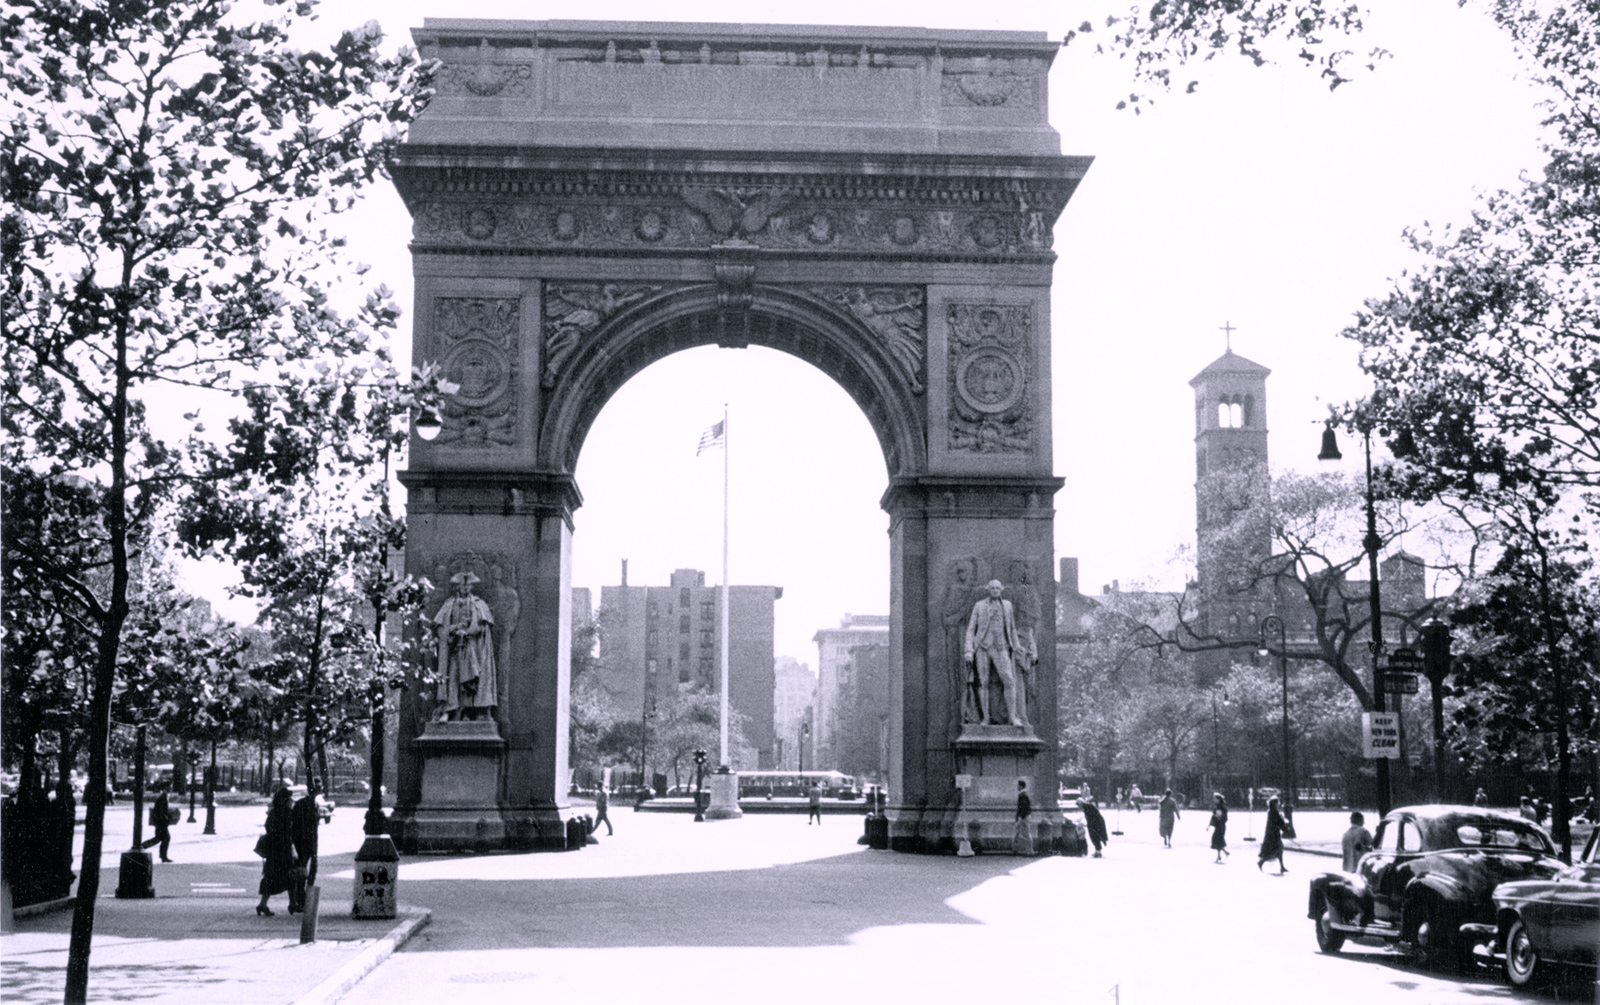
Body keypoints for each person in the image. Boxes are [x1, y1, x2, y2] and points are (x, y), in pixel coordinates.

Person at [434, 571, 498, 721]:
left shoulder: (479, 604)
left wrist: (470, 631)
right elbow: (441, 626)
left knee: (472, 677)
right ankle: (450, 709)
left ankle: (469, 711)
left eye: (468, 585)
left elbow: (484, 627)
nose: (466, 587)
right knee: (453, 674)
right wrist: (453, 630)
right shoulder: (449, 603)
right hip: (455, 646)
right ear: (458, 586)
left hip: (473, 647)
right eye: (463, 585)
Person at [963, 580, 1025, 726]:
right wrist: (968, 650)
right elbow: (971, 629)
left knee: (1009, 680)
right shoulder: (979, 605)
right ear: (988, 589)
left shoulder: (1008, 605)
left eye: (998, 588)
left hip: (1001, 646)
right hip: (983, 647)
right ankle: (985, 718)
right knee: (983, 682)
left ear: (1001, 589)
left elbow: (1012, 628)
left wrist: (1016, 645)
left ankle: (1012, 717)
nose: (995, 590)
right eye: (992, 588)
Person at [256, 786, 296, 916]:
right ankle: (292, 903)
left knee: (270, 876)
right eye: (289, 798)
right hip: (283, 849)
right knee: (290, 875)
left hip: (273, 849)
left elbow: (268, 827)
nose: (291, 800)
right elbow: (291, 831)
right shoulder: (288, 812)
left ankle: (263, 904)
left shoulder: (273, 812)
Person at [289, 779, 322, 913]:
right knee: (302, 873)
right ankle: (301, 899)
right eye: (318, 788)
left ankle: (304, 898)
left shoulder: (315, 805)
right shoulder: (301, 805)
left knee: (310, 872)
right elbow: (295, 825)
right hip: (302, 843)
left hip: (311, 843)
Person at [1258, 796, 1288, 874]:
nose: (1278, 804)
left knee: (1279, 850)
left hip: (1272, 833)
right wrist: (1284, 827)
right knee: (1275, 850)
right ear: (1274, 803)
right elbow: (1279, 821)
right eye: (1277, 802)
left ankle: (1282, 867)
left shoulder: (1271, 811)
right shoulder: (1274, 812)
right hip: (1273, 834)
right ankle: (1261, 862)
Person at [149, 786, 172, 862]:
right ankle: (163, 856)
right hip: (161, 822)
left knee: (160, 838)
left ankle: (163, 855)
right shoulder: (163, 798)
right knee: (164, 838)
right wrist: (166, 817)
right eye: (169, 787)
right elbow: (161, 811)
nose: (171, 789)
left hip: (159, 822)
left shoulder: (163, 797)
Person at [1013, 780, 1034, 855]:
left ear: (1021, 786)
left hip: (1023, 817)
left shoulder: (1022, 795)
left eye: (1018, 785)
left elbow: (1023, 806)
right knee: (1020, 833)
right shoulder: (1024, 794)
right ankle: (1017, 849)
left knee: (1025, 834)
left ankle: (1029, 851)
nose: (1017, 787)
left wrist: (1020, 816)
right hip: (1024, 816)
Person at [1207, 793, 1230, 864]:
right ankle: (1221, 855)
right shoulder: (1218, 807)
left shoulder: (1221, 807)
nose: (1214, 800)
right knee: (1218, 840)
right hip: (1219, 826)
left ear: (1218, 799)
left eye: (1215, 799)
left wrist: (1218, 818)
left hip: (1220, 826)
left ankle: (1222, 854)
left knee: (1217, 840)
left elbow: (1223, 818)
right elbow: (1214, 816)